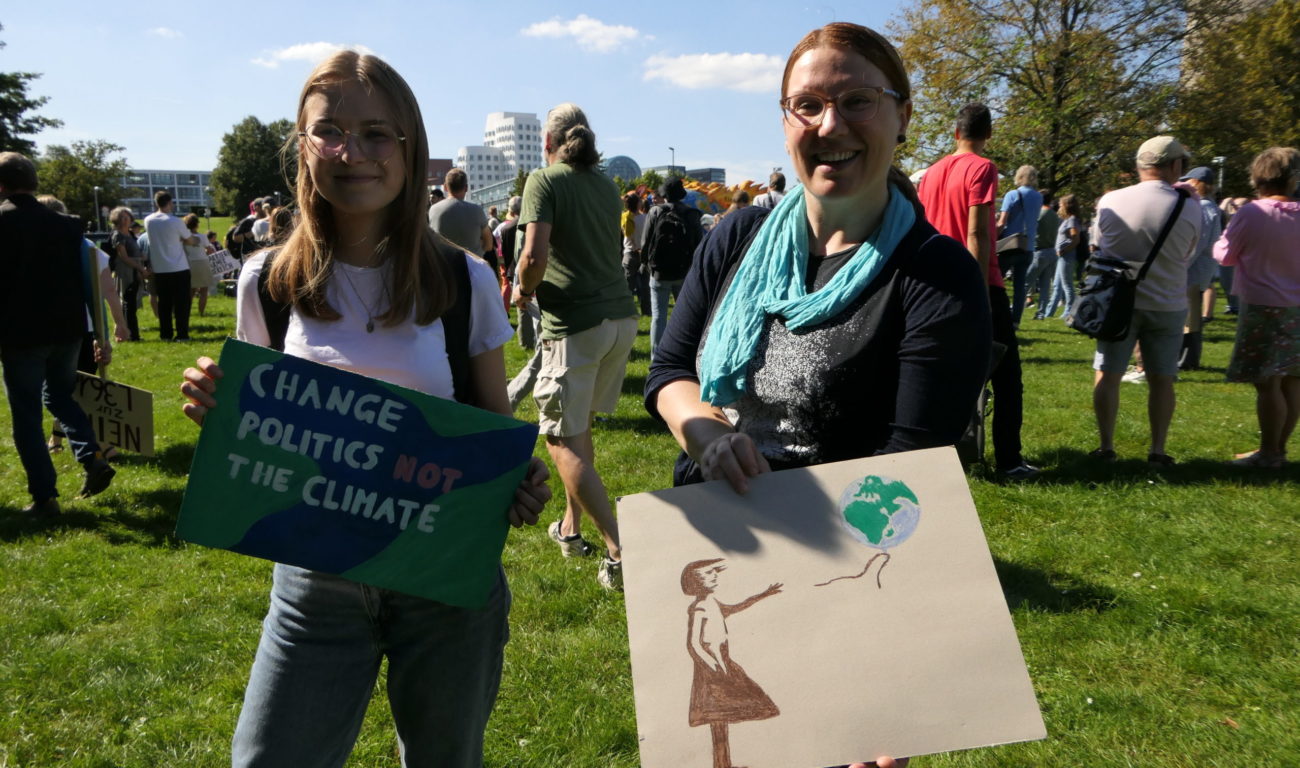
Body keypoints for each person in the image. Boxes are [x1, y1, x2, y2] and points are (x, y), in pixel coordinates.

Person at [177, 50, 550, 767]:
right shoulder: (265, 281)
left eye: (377, 133)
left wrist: (517, 480)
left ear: (410, 146)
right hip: (316, 587)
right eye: (330, 131)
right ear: (302, 144)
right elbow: (256, 434)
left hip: (446, 587)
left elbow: (496, 433)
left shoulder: (463, 279)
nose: (353, 153)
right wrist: (217, 413)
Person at [647, 25, 977, 767]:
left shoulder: (933, 274)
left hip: (837, 579)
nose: (831, 126)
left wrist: (869, 674)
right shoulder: (735, 238)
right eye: (808, 105)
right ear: (786, 120)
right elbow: (668, 373)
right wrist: (705, 433)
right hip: (718, 539)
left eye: (857, 100)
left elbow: (910, 473)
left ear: (902, 115)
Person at [511, 102, 638, 590]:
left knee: (562, 441)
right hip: (619, 320)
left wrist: (521, 290)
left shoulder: (544, 181)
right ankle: (570, 529)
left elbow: (533, 254)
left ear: (548, 142)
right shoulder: (607, 185)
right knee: (577, 433)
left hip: (576, 325)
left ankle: (620, 551)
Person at [917, 102, 1037, 479]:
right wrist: (980, 295)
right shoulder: (983, 168)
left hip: (935, 282)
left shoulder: (931, 173)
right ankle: (1008, 460)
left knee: (940, 374)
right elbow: (976, 231)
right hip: (978, 281)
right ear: (988, 134)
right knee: (1006, 376)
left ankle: (935, 456)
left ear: (956, 132)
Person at [0, 152, 116, 516]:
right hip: (68, 331)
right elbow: (88, 280)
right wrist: (99, 331)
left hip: (21, 336)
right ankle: (92, 458)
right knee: (62, 398)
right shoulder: (67, 225)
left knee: (27, 415)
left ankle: (45, 497)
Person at [1089, 136, 1201, 465]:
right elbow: (1189, 255)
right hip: (1167, 301)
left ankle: (1106, 446)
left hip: (1118, 301)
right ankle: (1158, 449)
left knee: (1107, 373)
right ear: (1175, 166)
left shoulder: (1111, 200)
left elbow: (1098, 248)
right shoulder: (1189, 206)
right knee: (1162, 379)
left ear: (1140, 165)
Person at [1213, 147, 1300, 468]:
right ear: (1293, 179)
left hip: (1263, 305)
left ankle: (1269, 453)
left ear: (1257, 177)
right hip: (1298, 308)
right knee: (1292, 379)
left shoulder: (1252, 214)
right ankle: (1278, 449)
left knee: (1267, 382)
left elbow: (1225, 255)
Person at [682, 559, 782, 768]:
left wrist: (762, 595)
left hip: (724, 663)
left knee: (726, 714)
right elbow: (693, 644)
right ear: (696, 582)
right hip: (711, 669)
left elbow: (737, 607)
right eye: (709, 574)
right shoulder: (699, 608)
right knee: (717, 717)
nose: (715, 576)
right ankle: (722, 764)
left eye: (714, 572)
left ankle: (723, 763)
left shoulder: (713, 603)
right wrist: (713, 666)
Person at [642, 176, 704, 359]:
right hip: (684, 272)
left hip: (659, 272)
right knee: (685, 315)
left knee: (658, 317)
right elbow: (698, 245)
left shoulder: (655, 212)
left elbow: (646, 243)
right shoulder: (692, 214)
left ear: (664, 195)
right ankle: (686, 354)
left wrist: (646, 265)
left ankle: (656, 358)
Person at [1178, 166, 1222, 370]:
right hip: (1201, 269)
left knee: (1189, 317)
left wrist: (1180, 265)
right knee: (1191, 315)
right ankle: (1188, 358)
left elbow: (1197, 243)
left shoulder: (1203, 208)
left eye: (1189, 180)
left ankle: (1186, 359)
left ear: (1198, 183)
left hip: (1194, 269)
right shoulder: (1210, 206)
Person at [143, 190, 200, 341]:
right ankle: (182, 333)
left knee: (164, 304)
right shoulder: (175, 221)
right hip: (179, 267)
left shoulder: (148, 220)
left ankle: (166, 334)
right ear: (169, 203)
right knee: (182, 303)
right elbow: (189, 240)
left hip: (160, 267)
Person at [996, 165, 1043, 326]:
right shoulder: (1038, 197)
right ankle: (1016, 319)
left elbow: (1002, 222)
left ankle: (995, 313)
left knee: (996, 281)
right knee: (1020, 286)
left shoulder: (1012, 195)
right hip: (1028, 246)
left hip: (1010, 244)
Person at [428, 167, 496, 276]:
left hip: (443, 272)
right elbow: (488, 245)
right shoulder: (477, 210)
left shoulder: (433, 210)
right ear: (466, 188)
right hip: (473, 272)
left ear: (445, 187)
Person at [109, 206, 148, 341]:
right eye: (123, 218)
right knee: (128, 304)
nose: (126, 220)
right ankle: (131, 334)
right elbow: (123, 257)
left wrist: (142, 259)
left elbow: (136, 252)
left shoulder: (130, 234)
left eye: (128, 217)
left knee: (132, 304)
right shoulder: (117, 235)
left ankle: (131, 333)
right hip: (126, 272)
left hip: (135, 270)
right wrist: (140, 267)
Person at [1042, 194, 1081, 321]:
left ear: (1067, 205)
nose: (1059, 206)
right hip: (1062, 256)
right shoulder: (1068, 219)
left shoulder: (1072, 220)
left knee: (1067, 285)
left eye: (1061, 204)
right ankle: (1049, 312)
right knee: (1057, 286)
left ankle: (1070, 311)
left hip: (1066, 256)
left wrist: (1064, 250)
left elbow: (1075, 239)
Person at [1027, 193, 1059, 319]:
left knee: (1026, 282)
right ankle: (1041, 313)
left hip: (1039, 251)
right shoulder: (1054, 215)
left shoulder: (1039, 214)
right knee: (1045, 287)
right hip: (1051, 251)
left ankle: (1016, 307)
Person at [621, 191, 651, 316]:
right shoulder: (645, 218)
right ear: (638, 204)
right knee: (645, 286)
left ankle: (626, 311)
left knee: (628, 286)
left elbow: (625, 234)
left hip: (629, 253)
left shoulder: (625, 217)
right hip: (643, 253)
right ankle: (647, 311)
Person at [182, 213, 215, 317]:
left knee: (190, 291)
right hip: (202, 263)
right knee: (204, 290)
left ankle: (186, 312)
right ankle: (201, 312)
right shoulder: (202, 236)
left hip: (189, 263)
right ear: (197, 224)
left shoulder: (183, 238)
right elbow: (209, 250)